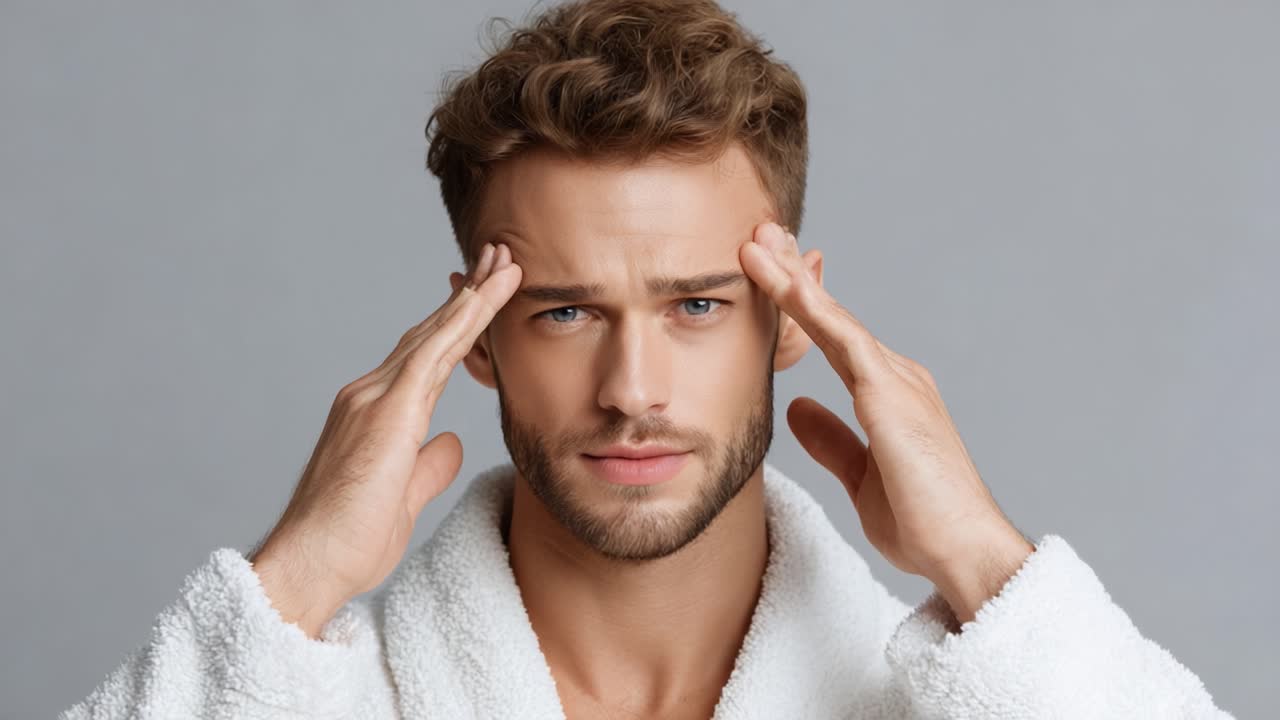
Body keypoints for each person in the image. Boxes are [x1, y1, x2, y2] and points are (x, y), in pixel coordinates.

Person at [63, 0, 1232, 717]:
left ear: (789, 324)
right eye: (565, 313)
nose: (631, 392)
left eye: (695, 307)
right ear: (470, 343)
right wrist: (297, 577)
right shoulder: (327, 704)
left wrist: (984, 564)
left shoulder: (973, 706)